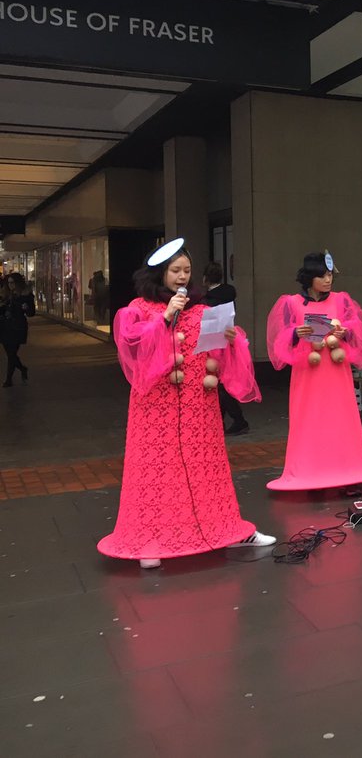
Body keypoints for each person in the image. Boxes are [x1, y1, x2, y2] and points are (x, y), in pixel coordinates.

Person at [97, 239, 274, 569]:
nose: (182, 277)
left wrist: (233, 340)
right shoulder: (137, 310)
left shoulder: (202, 309)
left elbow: (219, 353)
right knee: (158, 475)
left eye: (187, 271)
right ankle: (150, 540)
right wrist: (164, 318)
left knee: (208, 471)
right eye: (175, 271)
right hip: (156, 409)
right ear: (160, 274)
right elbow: (132, 349)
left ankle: (230, 529)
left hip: (198, 406)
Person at [266, 251, 362, 491]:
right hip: (309, 371)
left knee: (341, 416)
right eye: (322, 276)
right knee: (309, 418)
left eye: (329, 275)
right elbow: (280, 338)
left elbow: (357, 328)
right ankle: (310, 470)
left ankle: (348, 469)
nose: (328, 280)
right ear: (309, 278)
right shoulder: (291, 302)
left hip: (335, 368)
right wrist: (296, 333)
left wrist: (345, 331)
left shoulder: (341, 300)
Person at [202, 261, 249, 435]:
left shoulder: (208, 300)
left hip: (214, 344)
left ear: (206, 278)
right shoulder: (229, 294)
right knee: (223, 382)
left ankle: (237, 420)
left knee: (220, 384)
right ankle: (224, 421)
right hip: (230, 341)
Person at [1, 272, 35, 387]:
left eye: (12, 283)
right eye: (9, 283)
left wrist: (25, 308)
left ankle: (8, 379)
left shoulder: (25, 295)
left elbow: (31, 313)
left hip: (17, 327)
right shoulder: (6, 295)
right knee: (10, 354)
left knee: (11, 354)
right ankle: (22, 368)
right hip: (5, 327)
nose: (10, 285)